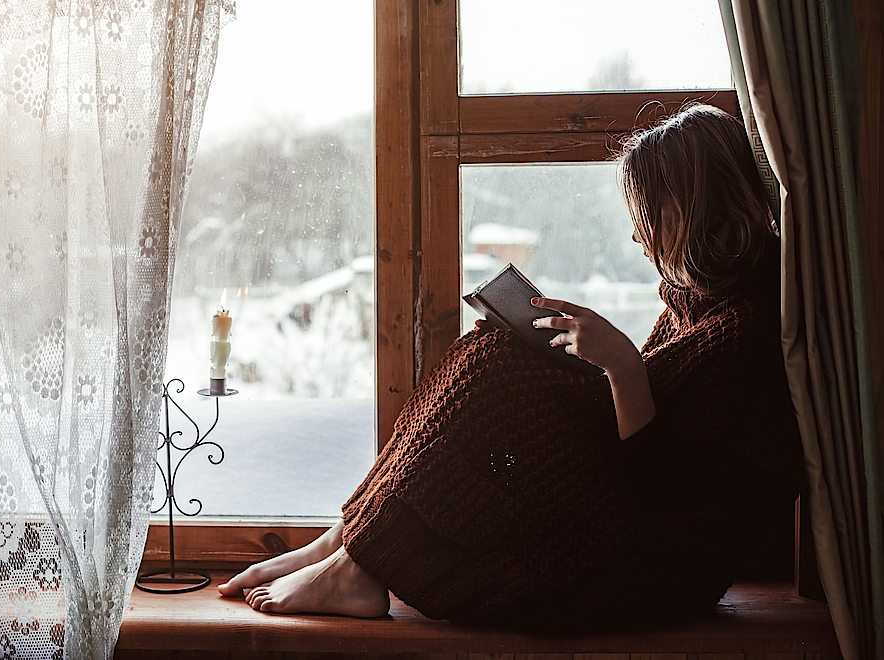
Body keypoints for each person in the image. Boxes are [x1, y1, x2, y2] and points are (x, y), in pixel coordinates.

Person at [216, 104, 803, 631]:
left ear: (697, 209)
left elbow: (668, 488)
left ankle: (354, 559)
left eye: (650, 213)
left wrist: (619, 364)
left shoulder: (745, 330)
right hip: (639, 529)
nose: (636, 233)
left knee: (495, 369)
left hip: (659, 566)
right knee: (489, 352)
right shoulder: (697, 306)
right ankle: (346, 545)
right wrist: (588, 365)